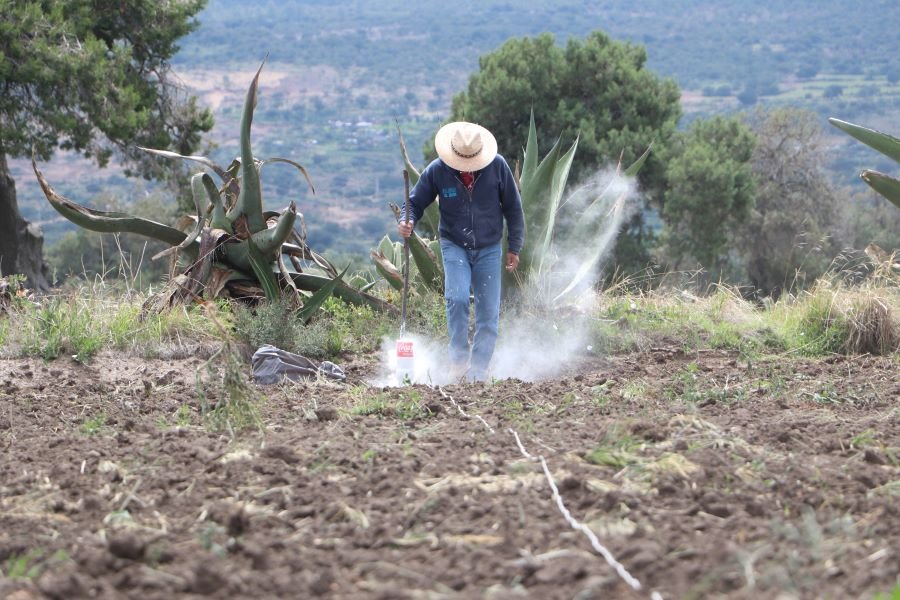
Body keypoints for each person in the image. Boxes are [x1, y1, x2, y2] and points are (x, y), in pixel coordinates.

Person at [398, 121, 525, 382]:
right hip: (454, 243)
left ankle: (478, 370)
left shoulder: (498, 166)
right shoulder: (437, 170)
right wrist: (406, 220)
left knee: (488, 312)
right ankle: (458, 360)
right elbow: (414, 202)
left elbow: (514, 208)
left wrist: (514, 246)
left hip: (489, 247)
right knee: (456, 299)